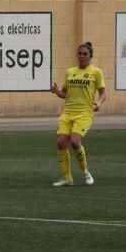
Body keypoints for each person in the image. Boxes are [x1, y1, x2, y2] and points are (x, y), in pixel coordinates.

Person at [50, 42, 107, 187]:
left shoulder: (95, 72)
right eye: (79, 54)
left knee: (75, 142)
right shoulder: (70, 72)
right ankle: (67, 178)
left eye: (85, 54)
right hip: (67, 112)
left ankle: (85, 172)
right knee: (61, 143)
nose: (82, 56)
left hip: (84, 113)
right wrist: (57, 92)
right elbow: (65, 94)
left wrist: (98, 103)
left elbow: (103, 93)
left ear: (90, 56)